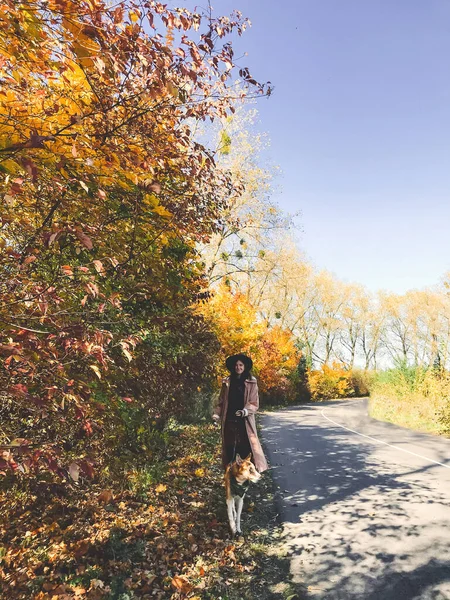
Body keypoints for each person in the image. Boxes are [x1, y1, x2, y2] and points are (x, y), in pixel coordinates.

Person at [212, 354, 268, 473]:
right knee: (230, 448)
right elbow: (221, 401)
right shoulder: (227, 382)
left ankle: (245, 474)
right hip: (229, 419)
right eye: (236, 365)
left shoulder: (251, 382)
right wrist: (217, 414)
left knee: (245, 448)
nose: (238, 367)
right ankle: (231, 474)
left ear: (245, 366)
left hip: (245, 421)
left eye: (241, 365)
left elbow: (254, 402)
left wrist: (245, 411)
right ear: (233, 367)